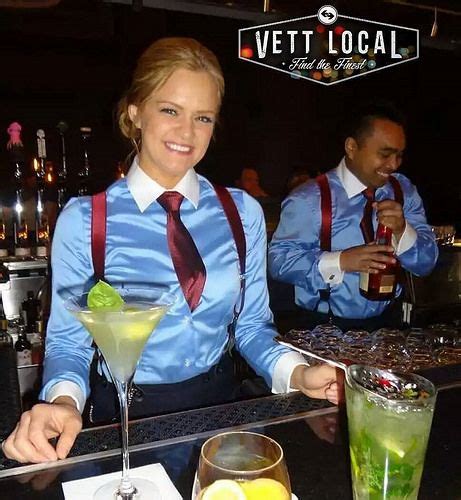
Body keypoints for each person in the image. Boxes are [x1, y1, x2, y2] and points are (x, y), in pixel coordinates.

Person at [2, 37, 339, 464]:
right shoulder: (87, 220)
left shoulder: (241, 212)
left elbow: (252, 327)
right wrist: (64, 403)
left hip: (220, 414)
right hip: (124, 421)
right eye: (170, 110)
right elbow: (70, 344)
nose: (187, 133)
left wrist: (297, 372)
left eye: (203, 117)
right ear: (135, 113)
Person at [268, 102, 438, 332]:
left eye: (399, 155)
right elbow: (277, 261)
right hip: (324, 328)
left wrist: (402, 231)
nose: (393, 165)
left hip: (390, 326)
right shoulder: (308, 198)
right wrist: (340, 261)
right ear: (351, 147)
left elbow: (426, 264)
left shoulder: (403, 190)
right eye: (385, 154)